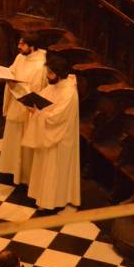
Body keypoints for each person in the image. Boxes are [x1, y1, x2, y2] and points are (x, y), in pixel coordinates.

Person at [21, 56, 80, 210]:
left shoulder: (69, 92)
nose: (47, 76)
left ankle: (52, 201)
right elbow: (42, 99)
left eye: (50, 73)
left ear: (59, 74)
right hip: (48, 134)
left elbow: (57, 117)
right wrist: (32, 105)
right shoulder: (54, 86)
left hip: (59, 139)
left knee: (54, 171)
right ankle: (41, 196)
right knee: (44, 167)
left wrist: (38, 113)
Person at [0, 32, 48, 184]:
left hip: (27, 110)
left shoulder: (41, 66)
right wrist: (7, 76)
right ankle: (11, 169)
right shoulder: (20, 57)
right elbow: (12, 70)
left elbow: (36, 90)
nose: (18, 47)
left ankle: (24, 175)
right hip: (15, 103)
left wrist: (16, 86)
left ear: (31, 47)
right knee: (13, 139)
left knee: (24, 143)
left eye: (22, 44)